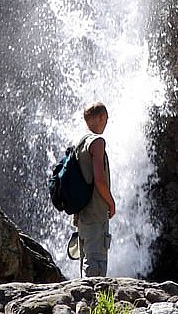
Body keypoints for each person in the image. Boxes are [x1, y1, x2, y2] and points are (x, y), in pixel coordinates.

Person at [75, 101, 115, 276]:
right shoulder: (97, 142)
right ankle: (94, 303)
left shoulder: (78, 142)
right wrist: (111, 203)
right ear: (101, 117)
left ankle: (82, 302)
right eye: (106, 118)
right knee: (95, 266)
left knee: (85, 262)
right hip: (96, 212)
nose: (107, 122)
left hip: (82, 214)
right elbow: (99, 180)